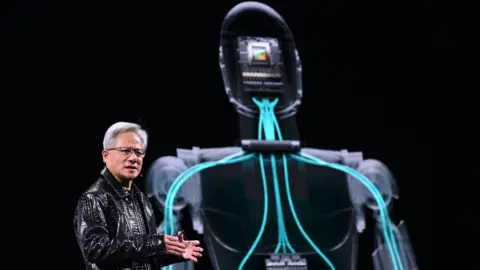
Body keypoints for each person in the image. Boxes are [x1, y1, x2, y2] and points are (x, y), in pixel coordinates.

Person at [73, 122, 203, 269]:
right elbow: (95, 249)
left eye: (138, 152)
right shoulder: (94, 198)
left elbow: (143, 257)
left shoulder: (141, 200)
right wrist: (155, 243)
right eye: (125, 151)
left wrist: (174, 252)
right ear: (106, 155)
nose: (133, 158)